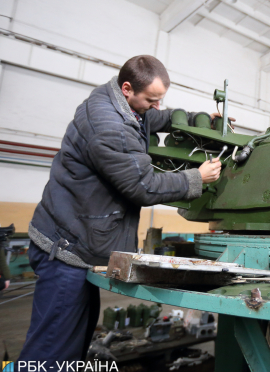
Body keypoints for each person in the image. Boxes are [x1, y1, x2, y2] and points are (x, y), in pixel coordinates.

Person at [18, 55, 224, 366]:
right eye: (151, 99)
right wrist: (196, 178)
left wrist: (201, 119)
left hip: (78, 240)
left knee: (72, 344)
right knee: (51, 350)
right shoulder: (110, 126)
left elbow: (158, 117)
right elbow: (143, 186)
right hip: (66, 248)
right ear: (127, 89)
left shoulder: (118, 101)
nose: (156, 106)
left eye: (160, 99)